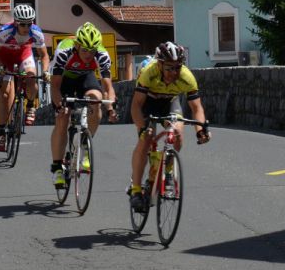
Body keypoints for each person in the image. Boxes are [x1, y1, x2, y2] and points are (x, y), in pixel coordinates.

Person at [128, 41, 210, 210]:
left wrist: (201, 130)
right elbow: (136, 105)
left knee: (178, 132)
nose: (174, 72)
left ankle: (168, 169)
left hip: (170, 102)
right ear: (159, 65)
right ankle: (136, 189)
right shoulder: (148, 73)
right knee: (146, 137)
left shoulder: (186, 77)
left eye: (177, 67)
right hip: (147, 103)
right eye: (169, 68)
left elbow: (196, 108)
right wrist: (142, 128)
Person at [49, 22, 118, 187]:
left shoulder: (102, 54)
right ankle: (57, 167)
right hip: (64, 80)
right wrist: (60, 106)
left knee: (96, 101)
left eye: (92, 50)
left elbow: (108, 86)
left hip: (85, 77)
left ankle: (85, 144)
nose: (88, 54)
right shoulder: (63, 51)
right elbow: (55, 86)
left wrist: (111, 108)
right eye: (85, 50)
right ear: (77, 45)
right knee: (63, 117)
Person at [0, 4, 49, 152]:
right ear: (16, 22)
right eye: (23, 24)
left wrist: (46, 71)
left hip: (24, 55)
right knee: (5, 94)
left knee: (31, 76)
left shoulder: (36, 33)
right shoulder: (5, 32)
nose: (26, 27)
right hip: (4, 58)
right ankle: (2, 133)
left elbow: (44, 55)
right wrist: (1, 67)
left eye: (29, 23)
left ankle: (29, 106)